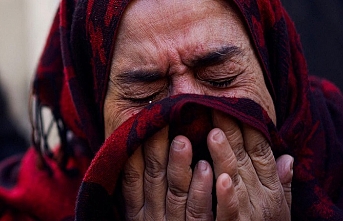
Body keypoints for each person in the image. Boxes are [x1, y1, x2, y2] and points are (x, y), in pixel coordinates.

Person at [0, 0, 342, 220]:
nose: (187, 112)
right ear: (90, 109)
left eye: (221, 78)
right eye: (143, 95)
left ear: (276, 74)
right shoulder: (29, 210)